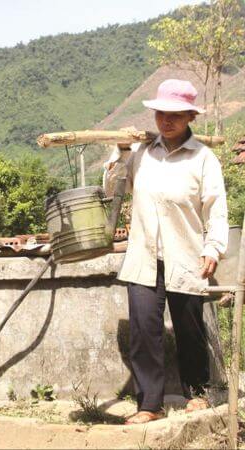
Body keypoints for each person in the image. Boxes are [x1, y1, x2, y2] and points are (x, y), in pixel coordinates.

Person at [103, 79, 228, 424]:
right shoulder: (142, 154)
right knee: (144, 332)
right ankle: (149, 405)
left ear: (190, 116)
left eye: (175, 114)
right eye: (161, 113)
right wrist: (121, 150)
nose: (166, 121)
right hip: (144, 256)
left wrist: (214, 248)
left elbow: (215, 209)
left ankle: (197, 393)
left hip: (187, 255)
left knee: (190, 329)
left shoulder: (203, 159)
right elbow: (110, 188)